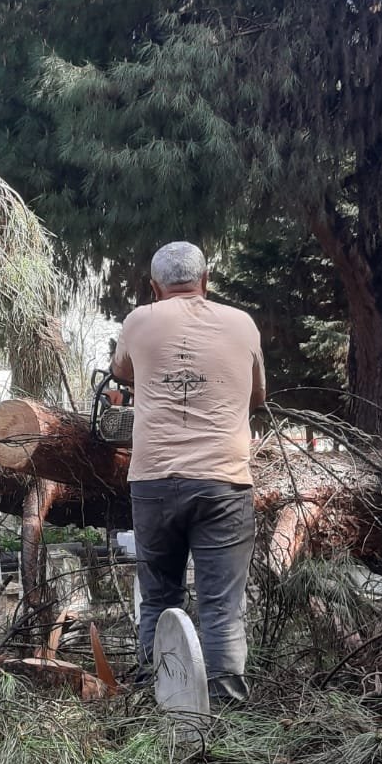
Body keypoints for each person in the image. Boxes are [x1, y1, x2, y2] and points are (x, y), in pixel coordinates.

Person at [111, 241, 265, 705]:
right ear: (207, 280)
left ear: (154, 287)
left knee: (159, 600)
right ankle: (227, 717)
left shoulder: (139, 320)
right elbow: (258, 397)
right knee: (222, 608)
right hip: (224, 481)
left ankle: (159, 702)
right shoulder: (242, 323)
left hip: (154, 481)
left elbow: (122, 372)